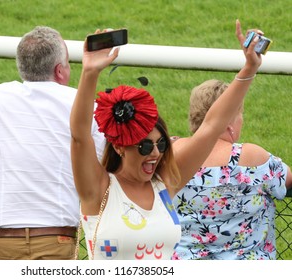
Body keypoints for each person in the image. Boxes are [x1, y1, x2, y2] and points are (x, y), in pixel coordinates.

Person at [70, 20, 262, 260]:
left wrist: (249, 69)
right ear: (119, 146)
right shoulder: (98, 189)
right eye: (145, 146)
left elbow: (211, 126)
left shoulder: (165, 184)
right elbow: (79, 137)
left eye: (161, 144)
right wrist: (90, 72)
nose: (156, 153)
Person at [0, 26, 105, 260]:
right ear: (60, 71)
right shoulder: (83, 105)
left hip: (3, 240)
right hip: (56, 237)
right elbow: (99, 163)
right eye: (68, 64)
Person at [171, 79, 292, 260]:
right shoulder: (251, 157)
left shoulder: (168, 153)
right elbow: (287, 178)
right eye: (240, 113)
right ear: (229, 122)